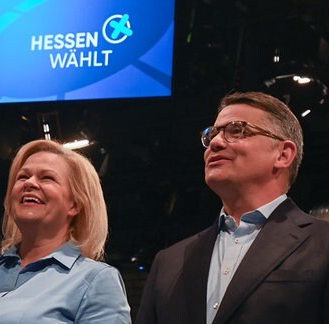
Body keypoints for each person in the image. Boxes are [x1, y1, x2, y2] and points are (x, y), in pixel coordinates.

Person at [135, 91, 329, 323]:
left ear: (283, 154)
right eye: (212, 135)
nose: (215, 143)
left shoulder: (323, 244)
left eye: (237, 131)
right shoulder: (169, 262)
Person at [0, 139, 131, 323]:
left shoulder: (96, 280)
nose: (29, 183)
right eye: (23, 177)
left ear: (75, 205)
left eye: (47, 178)